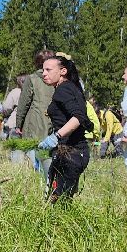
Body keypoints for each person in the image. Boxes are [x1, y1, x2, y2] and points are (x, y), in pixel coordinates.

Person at [36, 54, 90, 201]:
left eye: (48, 70)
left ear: (63, 71)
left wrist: (56, 136)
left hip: (72, 153)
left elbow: (78, 117)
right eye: (43, 70)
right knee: (60, 198)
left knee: (59, 201)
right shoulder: (69, 88)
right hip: (71, 152)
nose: (44, 73)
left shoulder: (64, 89)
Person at [16, 50, 56, 176]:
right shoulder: (57, 79)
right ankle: (48, 180)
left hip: (34, 123)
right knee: (48, 155)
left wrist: (18, 124)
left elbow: (23, 103)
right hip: (53, 123)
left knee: (33, 156)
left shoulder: (32, 79)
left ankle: (36, 180)